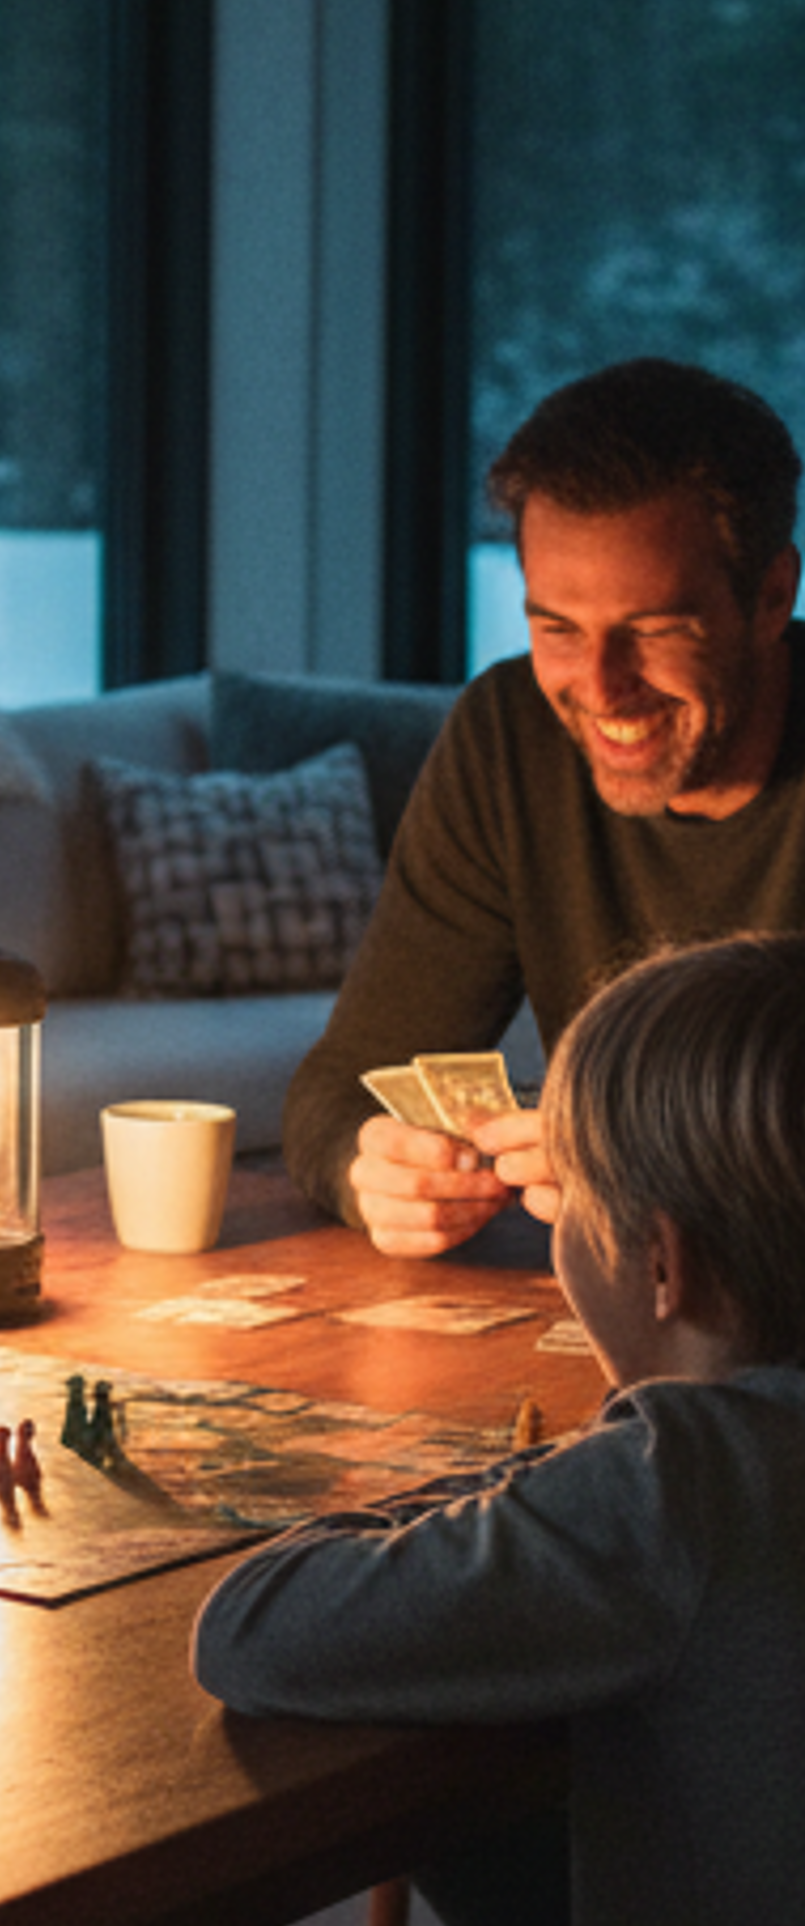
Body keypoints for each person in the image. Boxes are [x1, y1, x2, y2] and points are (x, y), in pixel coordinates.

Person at [41, 928, 805, 1926]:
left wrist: (527, 1478)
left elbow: (258, 1629)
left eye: (571, 1216)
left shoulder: (686, 1480)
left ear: (664, 1266)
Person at [284, 356, 805, 1260]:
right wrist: (371, 1170)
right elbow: (342, 1089)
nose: (600, 689)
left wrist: (655, 1173)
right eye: (555, 628)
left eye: (651, 630)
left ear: (771, 597)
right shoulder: (507, 735)